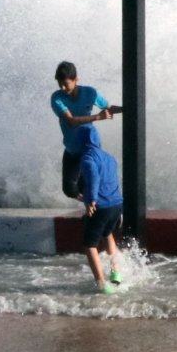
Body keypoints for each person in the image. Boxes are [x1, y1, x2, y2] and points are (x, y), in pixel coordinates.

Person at [50, 61, 118, 201]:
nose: (63, 88)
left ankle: (100, 209)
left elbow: (108, 108)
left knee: (90, 185)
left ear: (76, 79)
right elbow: (71, 121)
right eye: (60, 84)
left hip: (90, 147)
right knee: (70, 189)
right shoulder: (57, 98)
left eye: (66, 84)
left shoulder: (90, 93)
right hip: (72, 148)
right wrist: (98, 117)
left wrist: (128, 108)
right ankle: (93, 205)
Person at [74, 124, 124, 293]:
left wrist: (91, 200)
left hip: (101, 206)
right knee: (108, 234)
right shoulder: (109, 157)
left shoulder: (88, 158)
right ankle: (116, 272)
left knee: (90, 245)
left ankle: (102, 284)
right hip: (116, 203)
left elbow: (93, 178)